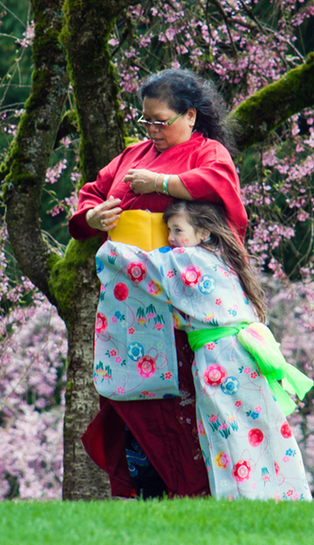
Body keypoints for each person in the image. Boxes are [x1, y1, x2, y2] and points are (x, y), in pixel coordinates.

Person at [68, 68, 246, 499]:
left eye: (160, 121)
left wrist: (163, 183)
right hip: (129, 307)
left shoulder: (209, 153)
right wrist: (93, 216)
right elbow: (92, 191)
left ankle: (195, 495)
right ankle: (148, 493)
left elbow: (221, 189)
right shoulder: (133, 156)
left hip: (181, 305)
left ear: (189, 116)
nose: (151, 130)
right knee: (134, 399)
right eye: (145, 121)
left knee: (183, 400)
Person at [94, 200, 313, 500]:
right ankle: (286, 494)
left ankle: (242, 497)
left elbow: (144, 267)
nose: (171, 238)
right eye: (169, 230)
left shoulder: (188, 260)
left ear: (203, 231)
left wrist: (109, 250)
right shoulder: (220, 258)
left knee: (227, 432)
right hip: (240, 352)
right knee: (261, 426)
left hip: (221, 359)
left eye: (178, 230)